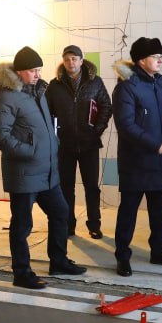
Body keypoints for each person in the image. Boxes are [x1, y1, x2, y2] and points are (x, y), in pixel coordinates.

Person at [0, 46, 87, 289]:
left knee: (60, 213)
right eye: (33, 70)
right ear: (19, 72)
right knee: (22, 225)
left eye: (39, 70)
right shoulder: (5, 97)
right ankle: (21, 273)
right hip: (24, 174)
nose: (37, 75)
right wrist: (29, 152)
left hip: (47, 171)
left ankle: (58, 261)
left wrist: (53, 144)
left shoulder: (37, 92)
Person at [112, 39, 162, 276]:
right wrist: (155, 145)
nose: (161, 60)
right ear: (142, 60)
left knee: (159, 210)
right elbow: (126, 125)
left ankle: (158, 251)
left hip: (160, 159)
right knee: (129, 211)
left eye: (161, 55)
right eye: (155, 56)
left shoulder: (159, 84)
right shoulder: (127, 86)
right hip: (136, 161)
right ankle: (122, 256)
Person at [44, 45, 111, 239]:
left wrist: (96, 131)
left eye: (74, 58)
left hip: (89, 144)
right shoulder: (55, 85)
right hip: (64, 145)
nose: (70, 62)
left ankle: (94, 224)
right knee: (66, 188)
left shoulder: (95, 82)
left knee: (92, 187)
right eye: (67, 59)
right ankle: (68, 225)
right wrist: (54, 136)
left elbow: (106, 107)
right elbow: (47, 113)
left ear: (81, 61)